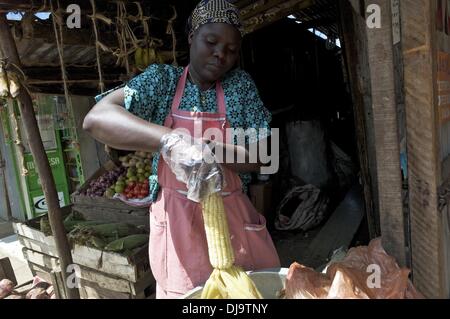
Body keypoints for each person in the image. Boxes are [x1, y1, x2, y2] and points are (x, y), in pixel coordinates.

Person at [83, 0, 280, 299]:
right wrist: (171, 141)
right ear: (192, 37)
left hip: (232, 222)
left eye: (231, 50)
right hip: (177, 226)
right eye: (211, 42)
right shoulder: (162, 81)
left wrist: (208, 149)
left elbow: (264, 154)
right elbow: (96, 119)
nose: (220, 54)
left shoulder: (239, 86)